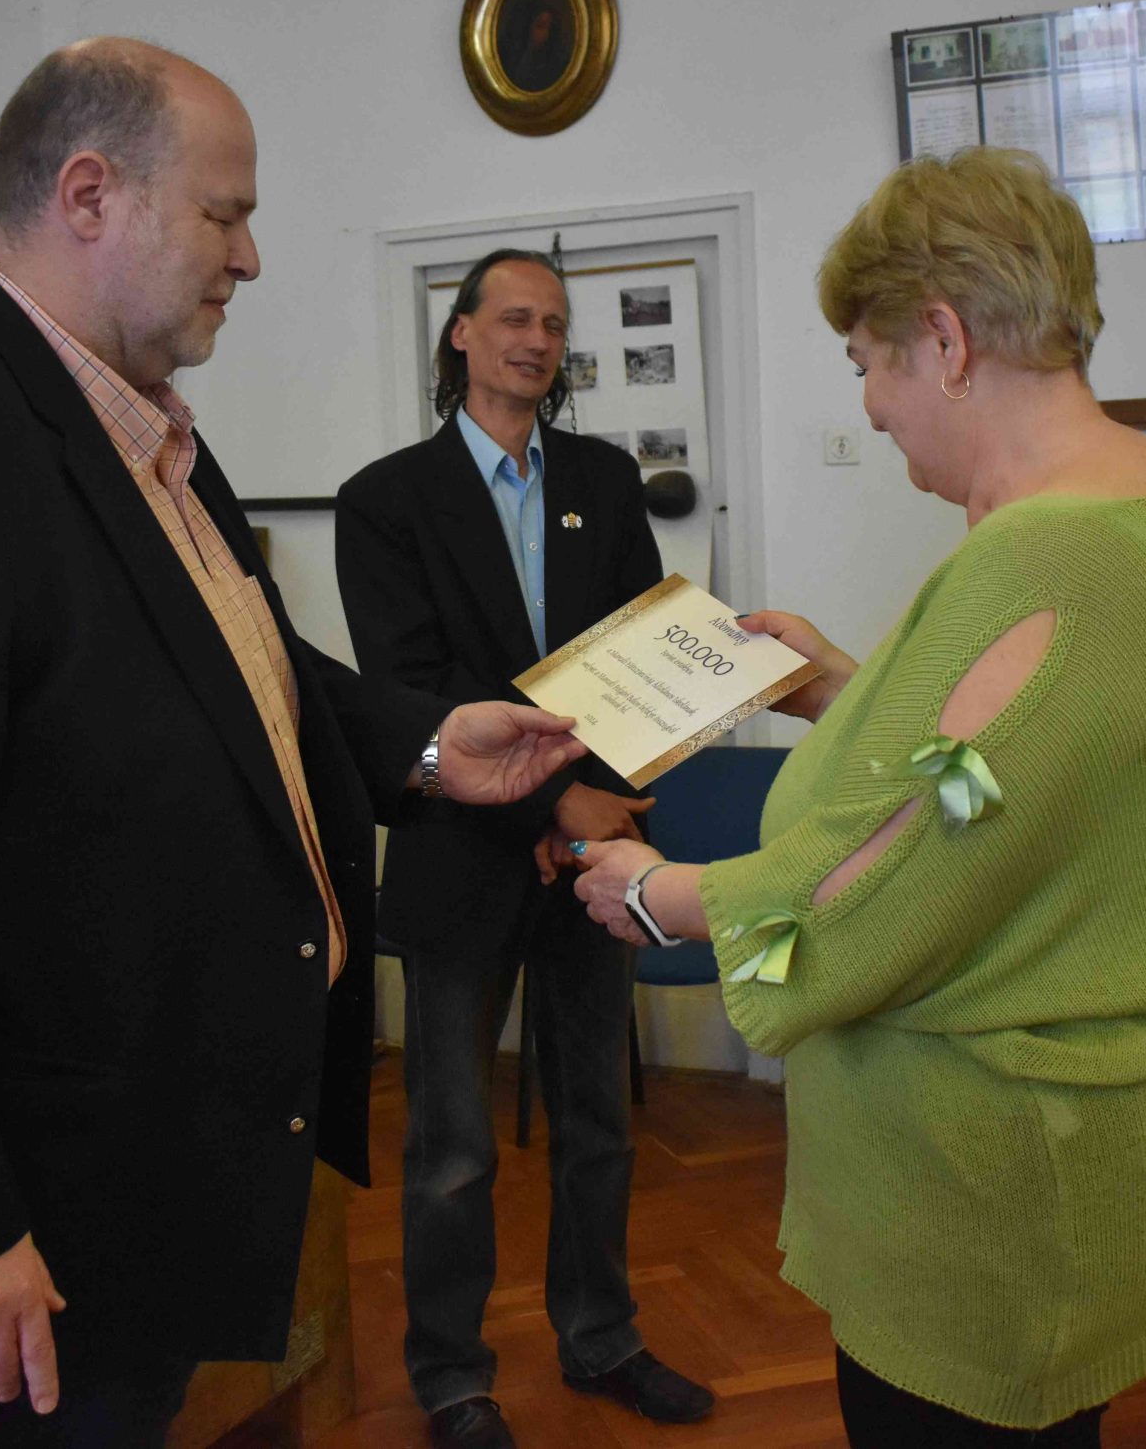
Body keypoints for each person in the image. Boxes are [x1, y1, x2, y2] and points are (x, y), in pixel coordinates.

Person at [0, 39, 585, 1449]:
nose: (251, 258)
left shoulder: (138, 422)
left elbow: (235, 664)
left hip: (155, 1163)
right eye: (225, 214)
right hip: (32, 1206)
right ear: (90, 194)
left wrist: (424, 742)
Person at [571, 146, 1146, 1447]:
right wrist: (843, 688)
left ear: (943, 340)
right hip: (1066, 1154)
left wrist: (668, 898)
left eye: (866, 364)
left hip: (994, 1193)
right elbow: (1013, 769)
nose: (872, 408)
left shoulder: (1047, 560)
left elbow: (896, 878)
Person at [331, 249, 713, 1449]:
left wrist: (601, 807)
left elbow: (643, 660)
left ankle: (601, 1338)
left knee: (598, 1123)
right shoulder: (383, 499)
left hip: (597, 859)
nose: (536, 339)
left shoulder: (604, 478)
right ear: (459, 335)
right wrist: (555, 809)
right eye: (511, 318)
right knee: (450, 1148)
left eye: (552, 322)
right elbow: (410, 686)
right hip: (461, 853)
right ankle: (452, 1377)